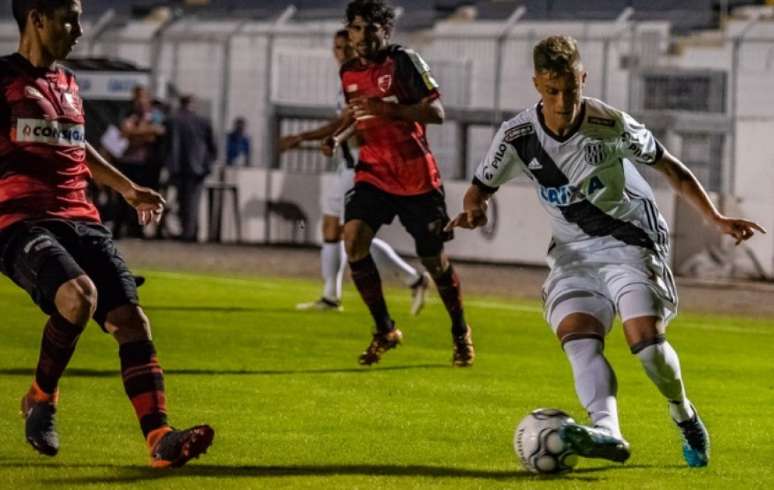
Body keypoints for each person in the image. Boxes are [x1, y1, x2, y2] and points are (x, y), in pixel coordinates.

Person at [447, 35, 767, 466]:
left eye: (570, 90)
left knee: (647, 346)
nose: (562, 102)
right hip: (572, 255)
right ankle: (606, 431)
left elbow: (669, 164)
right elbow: (479, 190)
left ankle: (683, 414)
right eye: (551, 91)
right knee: (579, 340)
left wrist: (716, 219)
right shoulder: (517, 137)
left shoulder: (611, 124)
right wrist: (475, 212)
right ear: (537, 85)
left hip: (631, 242)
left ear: (583, 78)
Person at [2, 0, 214, 467]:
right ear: (37, 18)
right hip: (22, 221)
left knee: (132, 323)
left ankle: (160, 437)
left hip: (82, 218)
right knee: (79, 298)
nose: (79, 29)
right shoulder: (3, 80)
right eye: (69, 17)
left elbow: (79, 147)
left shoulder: (68, 83)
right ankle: (44, 395)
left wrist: (128, 188)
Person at [327, 0, 474, 367]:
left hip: (416, 177)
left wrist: (389, 109)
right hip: (373, 172)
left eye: (369, 28)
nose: (360, 36)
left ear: (385, 30)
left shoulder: (404, 61)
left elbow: (436, 113)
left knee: (434, 261)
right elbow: (360, 115)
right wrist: (339, 136)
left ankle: (460, 331)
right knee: (354, 239)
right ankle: (385, 330)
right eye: (355, 28)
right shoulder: (348, 72)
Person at [279, 28, 431, 315]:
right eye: (336, 47)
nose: (341, 52)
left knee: (349, 234)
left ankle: (410, 279)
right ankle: (332, 295)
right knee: (334, 229)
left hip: (362, 166)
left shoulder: (362, 81)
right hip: (348, 166)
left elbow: (345, 124)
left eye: (346, 47)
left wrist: (302, 138)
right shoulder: (347, 81)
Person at [164, 94, 217, 242]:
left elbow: (166, 145)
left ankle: (187, 231)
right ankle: (191, 232)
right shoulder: (204, 121)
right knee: (193, 200)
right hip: (198, 167)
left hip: (178, 167)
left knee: (182, 200)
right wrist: (207, 164)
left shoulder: (172, 121)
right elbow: (213, 147)